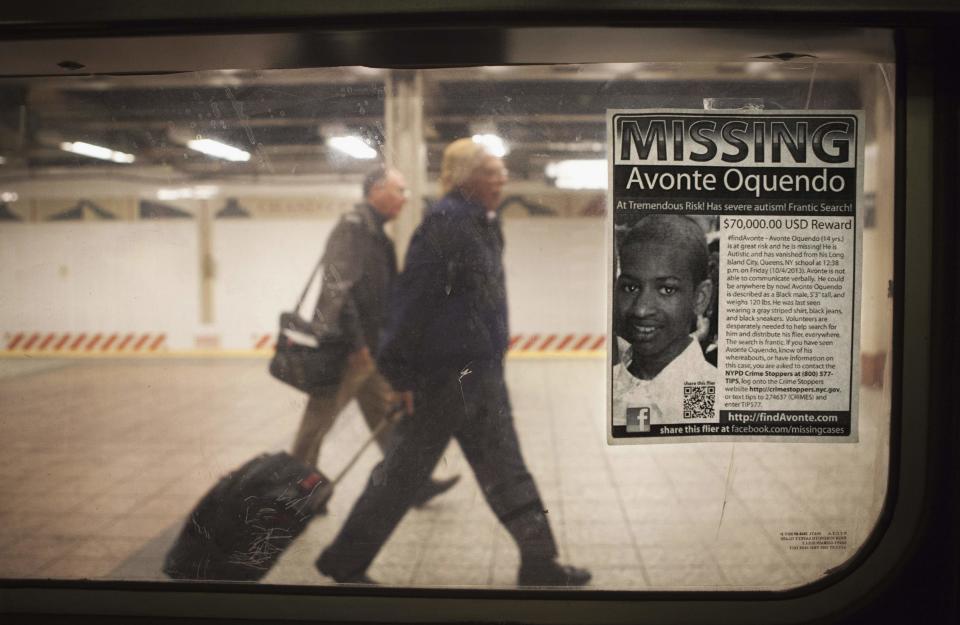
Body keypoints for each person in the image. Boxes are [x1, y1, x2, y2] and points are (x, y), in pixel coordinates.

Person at [315, 139, 591, 587]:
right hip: (443, 381)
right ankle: (344, 561)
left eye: (502, 172)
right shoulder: (444, 224)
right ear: (465, 177)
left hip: (478, 377)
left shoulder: (483, 222)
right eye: (491, 172)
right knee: (404, 475)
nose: (501, 179)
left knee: (505, 468)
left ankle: (539, 561)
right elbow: (411, 303)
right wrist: (400, 375)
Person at [290, 166, 459, 506]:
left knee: (389, 419)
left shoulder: (375, 232)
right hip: (349, 352)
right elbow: (338, 289)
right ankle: (295, 493)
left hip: (372, 350)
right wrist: (355, 344)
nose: (405, 198)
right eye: (399, 190)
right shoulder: (352, 229)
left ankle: (412, 483)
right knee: (317, 425)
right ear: (376, 191)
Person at [612, 214, 717, 433]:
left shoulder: (710, 391)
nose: (641, 309)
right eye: (631, 288)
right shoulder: (609, 382)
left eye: (667, 290)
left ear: (700, 298)